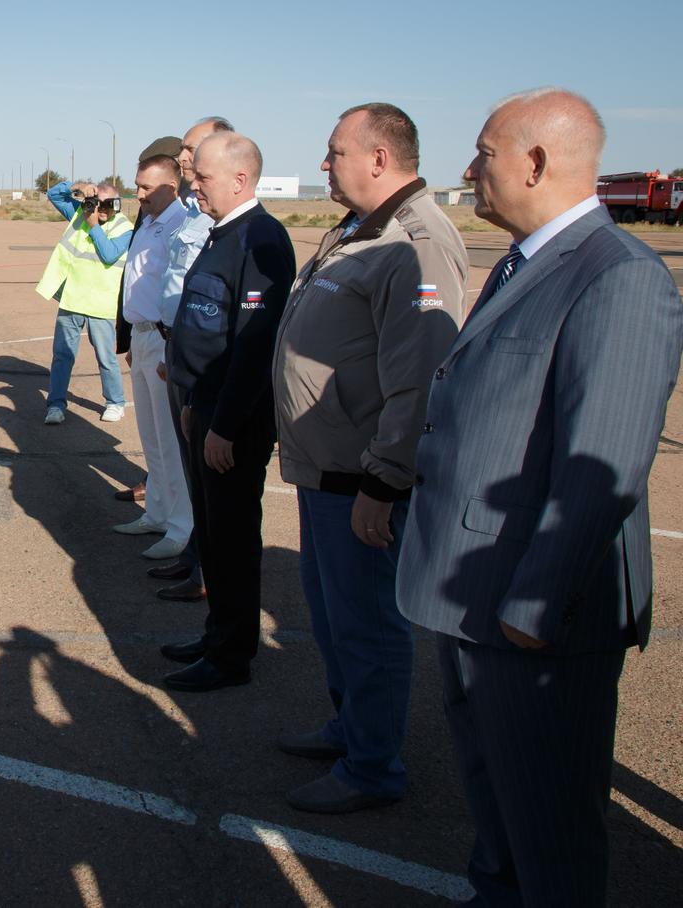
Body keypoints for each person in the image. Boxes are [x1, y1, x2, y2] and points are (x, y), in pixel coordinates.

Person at [397, 88, 682, 906]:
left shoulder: (618, 276)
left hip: (531, 614)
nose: (468, 169)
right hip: (474, 597)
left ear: (536, 161)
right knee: (499, 822)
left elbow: (610, 458)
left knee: (550, 835)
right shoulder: (531, 260)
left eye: (483, 153)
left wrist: (535, 602)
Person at [272, 103, 468, 813]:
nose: (324, 165)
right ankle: (351, 729)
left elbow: (420, 376)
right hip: (323, 470)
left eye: (334, 153)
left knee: (368, 627)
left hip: (363, 478)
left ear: (379, 158)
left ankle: (372, 768)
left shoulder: (416, 242)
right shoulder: (360, 229)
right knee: (332, 620)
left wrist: (385, 481)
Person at [159, 132, 295, 691]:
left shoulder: (261, 239)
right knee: (213, 534)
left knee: (234, 538)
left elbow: (253, 344)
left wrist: (225, 424)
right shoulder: (222, 234)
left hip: (232, 421)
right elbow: (204, 331)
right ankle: (217, 633)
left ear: (239, 180)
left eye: (204, 177)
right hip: (207, 409)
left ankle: (232, 654)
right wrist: (193, 401)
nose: (194, 183)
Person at [149, 116, 234, 603]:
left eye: (193, 149)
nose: (185, 158)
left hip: (200, 362)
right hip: (176, 350)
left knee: (206, 475)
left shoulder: (220, 224)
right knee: (189, 466)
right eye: (184, 151)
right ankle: (194, 558)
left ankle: (206, 571)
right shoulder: (191, 211)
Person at [110, 155, 190, 559]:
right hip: (142, 338)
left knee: (170, 439)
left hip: (163, 340)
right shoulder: (147, 222)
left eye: (146, 188)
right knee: (151, 437)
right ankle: (157, 513)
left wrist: (169, 346)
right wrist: (128, 339)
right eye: (137, 185)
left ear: (170, 188)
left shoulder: (183, 226)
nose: (137, 194)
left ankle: (181, 527)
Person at [36, 180, 132, 424]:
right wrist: (78, 186)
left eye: (111, 205)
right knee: (62, 356)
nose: (104, 210)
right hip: (72, 299)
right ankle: (56, 405)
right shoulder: (81, 211)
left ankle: (115, 402)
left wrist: (94, 227)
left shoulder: (125, 228)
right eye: (100, 203)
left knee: (106, 357)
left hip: (101, 302)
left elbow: (109, 254)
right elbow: (55, 195)